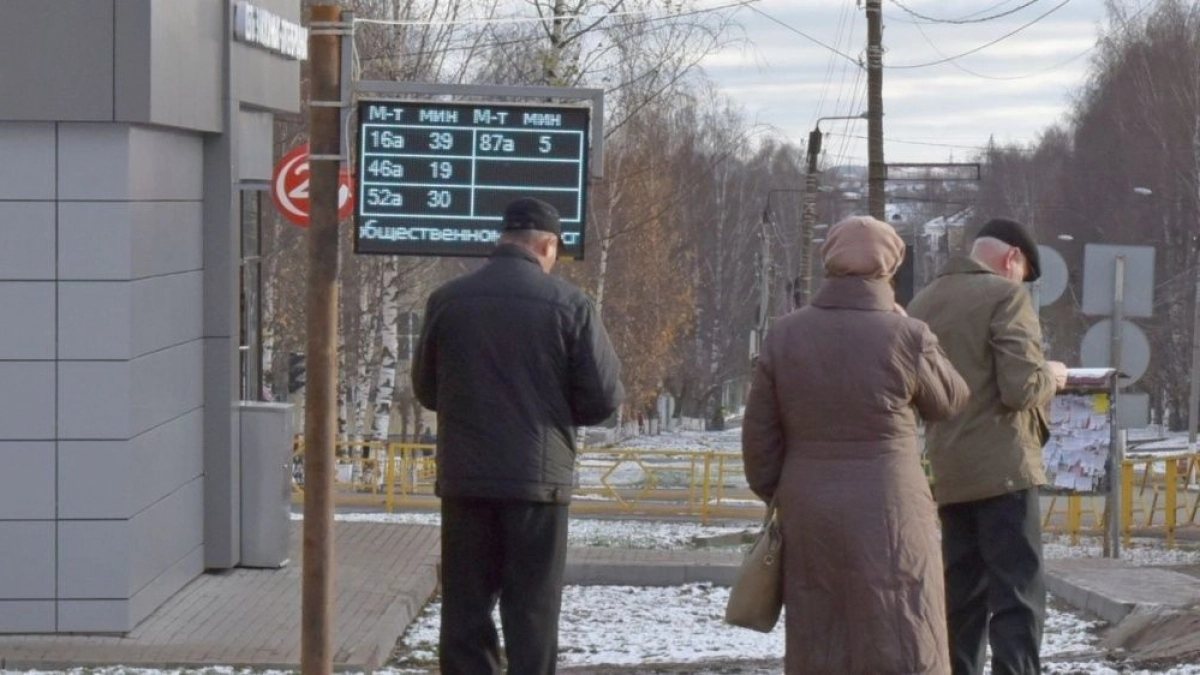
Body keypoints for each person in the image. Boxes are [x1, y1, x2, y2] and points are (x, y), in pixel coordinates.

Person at [742, 215, 970, 674]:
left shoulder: (785, 334)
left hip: (810, 506)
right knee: (904, 624)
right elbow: (950, 400)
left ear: (828, 262)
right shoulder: (907, 335)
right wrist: (918, 333)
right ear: (890, 268)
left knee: (819, 631)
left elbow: (760, 444)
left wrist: (785, 492)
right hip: (892, 505)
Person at [411, 197, 624, 675]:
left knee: (465, 611)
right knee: (532, 612)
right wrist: (555, 412)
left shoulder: (447, 300)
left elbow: (427, 388)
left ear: (502, 240)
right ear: (547, 245)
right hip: (538, 484)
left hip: (466, 481)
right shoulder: (570, 305)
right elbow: (605, 396)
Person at [907, 218, 1070, 675]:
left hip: (948, 473)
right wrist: (1052, 377)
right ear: (1013, 259)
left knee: (962, 600)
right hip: (1005, 472)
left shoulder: (922, 302)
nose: (1022, 283)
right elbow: (1021, 389)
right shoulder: (1005, 296)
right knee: (1018, 596)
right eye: (1023, 273)